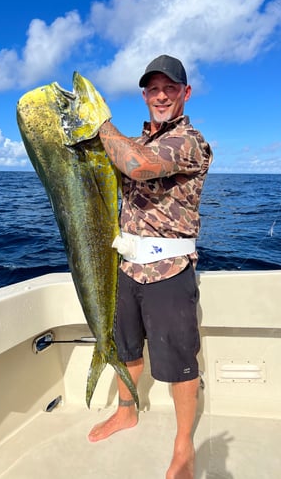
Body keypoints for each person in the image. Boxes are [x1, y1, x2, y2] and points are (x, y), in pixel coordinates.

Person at [88, 54, 213, 479]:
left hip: (170, 268)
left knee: (180, 362)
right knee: (125, 349)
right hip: (127, 264)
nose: (161, 96)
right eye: (153, 89)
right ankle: (127, 411)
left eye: (170, 88)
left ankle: (183, 446)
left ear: (185, 93)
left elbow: (137, 167)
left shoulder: (190, 141)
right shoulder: (139, 138)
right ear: (144, 95)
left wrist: (99, 123)